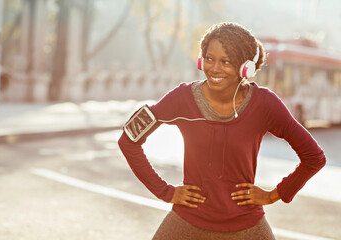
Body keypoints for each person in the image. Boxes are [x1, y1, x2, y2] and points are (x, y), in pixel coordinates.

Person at [118, 22, 326, 239]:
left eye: (226, 61)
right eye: (209, 59)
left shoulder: (266, 104)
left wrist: (274, 195)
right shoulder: (182, 98)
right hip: (187, 222)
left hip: (246, 226)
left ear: (245, 68)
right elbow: (128, 140)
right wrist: (165, 191)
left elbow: (314, 157)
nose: (214, 68)